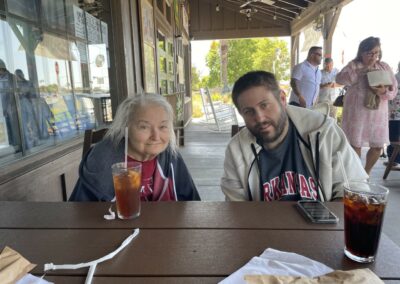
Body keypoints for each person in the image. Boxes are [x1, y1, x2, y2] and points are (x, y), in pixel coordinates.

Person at [221, 71, 367, 201]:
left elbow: (356, 190)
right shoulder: (237, 150)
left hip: (322, 229)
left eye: (264, 105)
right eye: (249, 111)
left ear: (282, 99)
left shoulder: (324, 131)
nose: (259, 118)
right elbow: (237, 211)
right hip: (263, 229)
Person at [69, 94, 200, 201]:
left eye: (163, 126)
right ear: (125, 128)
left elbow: (191, 201)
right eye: (144, 127)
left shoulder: (170, 155)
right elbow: (82, 212)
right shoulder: (103, 159)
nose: (156, 136)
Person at [336, 37, 398, 175]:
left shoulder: (384, 67)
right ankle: (357, 174)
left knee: (377, 145)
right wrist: (358, 73)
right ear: (362, 53)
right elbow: (339, 79)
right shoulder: (354, 65)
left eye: (376, 53)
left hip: (377, 114)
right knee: (355, 144)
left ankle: (366, 173)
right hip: (357, 112)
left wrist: (383, 91)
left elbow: (393, 89)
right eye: (370, 53)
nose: (374, 56)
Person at [386, 61, 400, 166]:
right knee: (395, 137)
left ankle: (392, 159)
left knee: (393, 137)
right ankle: (393, 159)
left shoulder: (393, 77)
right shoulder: (394, 78)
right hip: (394, 112)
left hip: (392, 113)